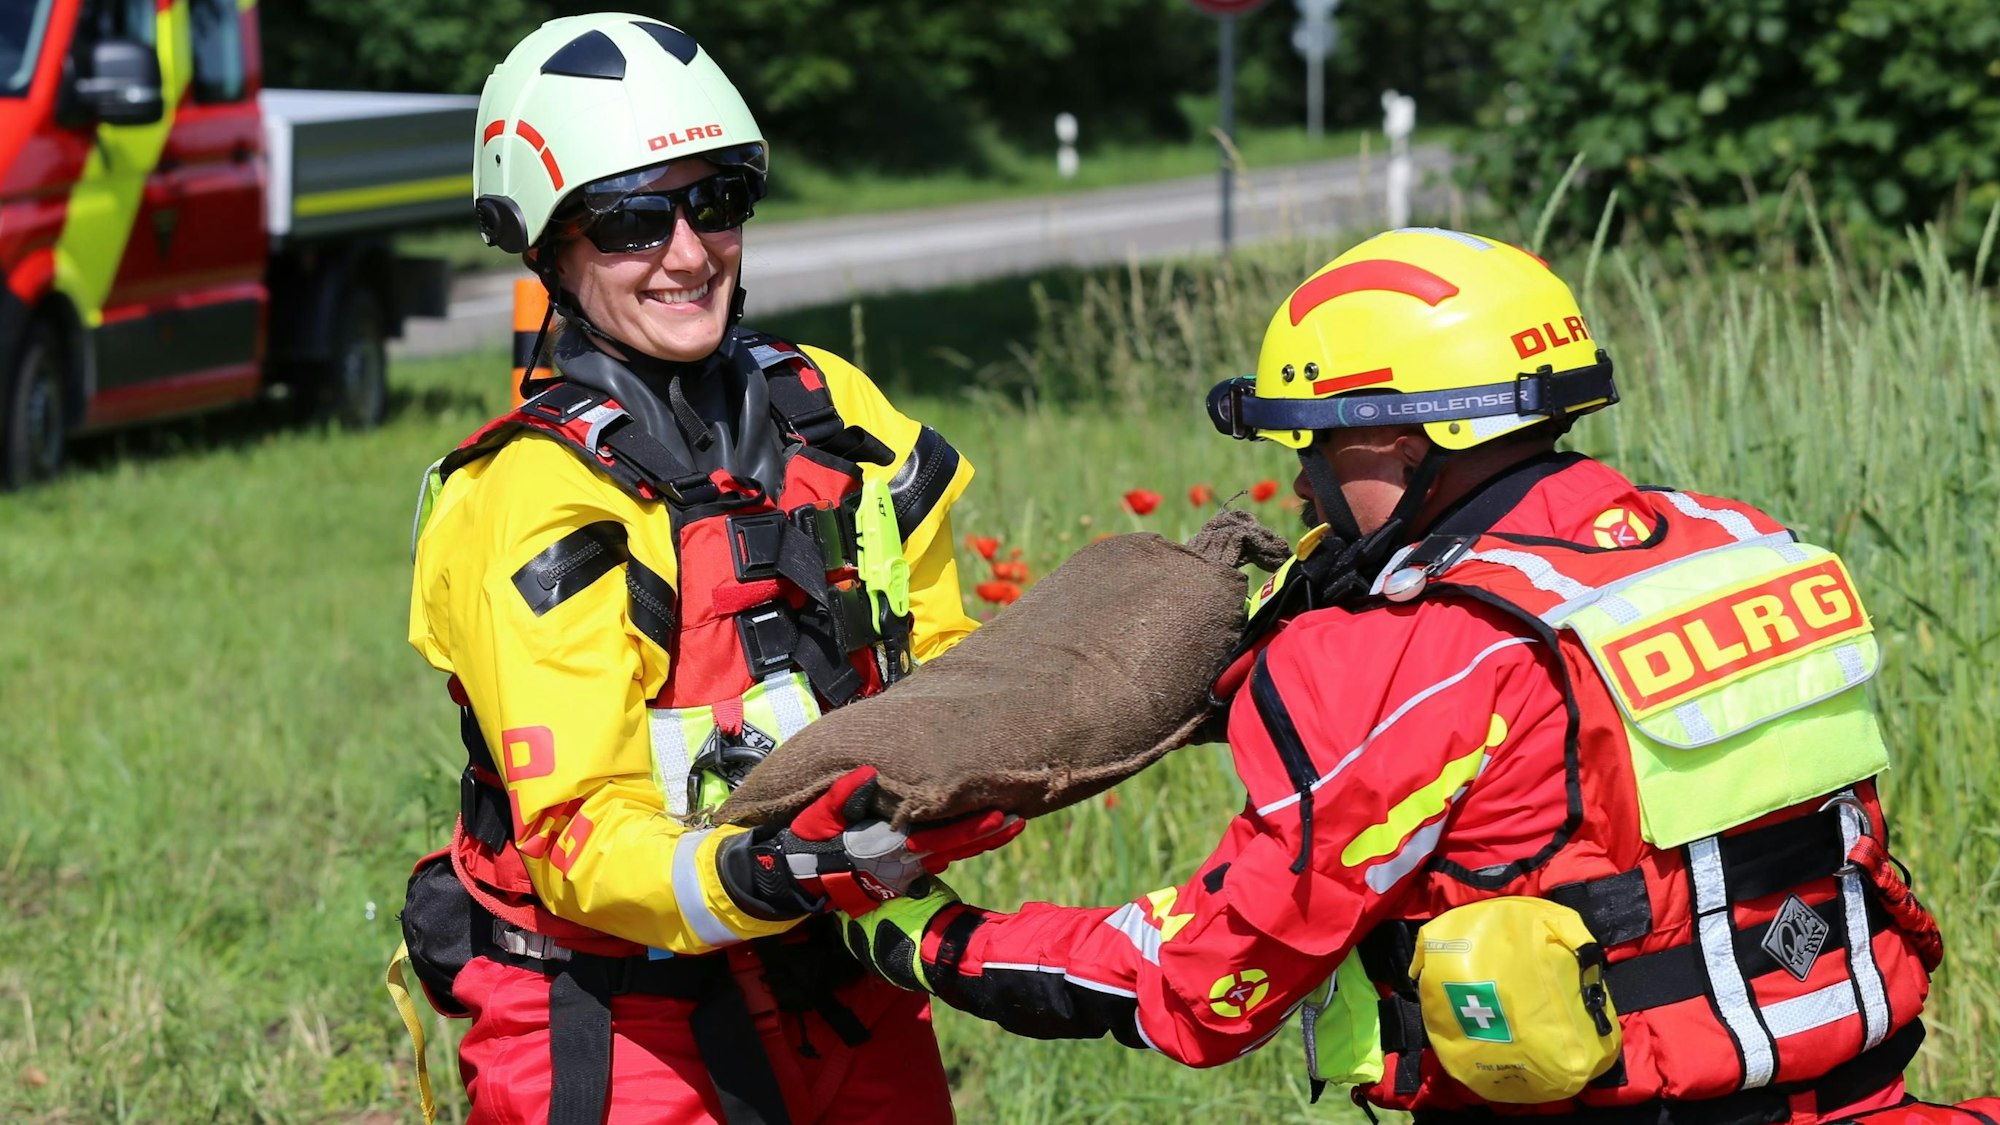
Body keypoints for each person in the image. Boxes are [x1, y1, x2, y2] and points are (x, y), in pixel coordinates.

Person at [837, 228, 1995, 1125]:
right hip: (1869, 1084)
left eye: (1312, 445)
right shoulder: (1729, 543)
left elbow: (1202, 985)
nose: (1300, 487)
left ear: (1397, 440)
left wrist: (927, 939)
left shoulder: (1408, 653)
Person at [396, 14, 1016, 1125]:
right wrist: (760, 873)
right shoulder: (530, 497)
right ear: (546, 246)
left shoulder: (835, 414)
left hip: (837, 967)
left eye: (714, 203)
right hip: (614, 1010)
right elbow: (577, 830)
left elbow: (943, 660)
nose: (687, 253)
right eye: (633, 220)